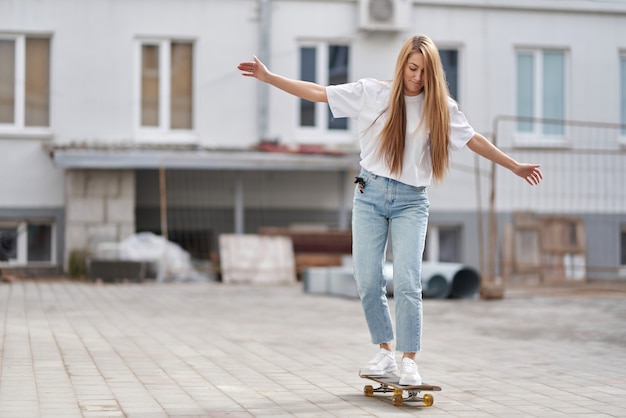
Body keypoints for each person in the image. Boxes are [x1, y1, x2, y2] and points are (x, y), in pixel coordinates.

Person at [237, 35, 542, 385]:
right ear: (402, 65)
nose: (417, 78)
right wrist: (269, 77)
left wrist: (513, 165)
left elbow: (473, 138)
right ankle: (384, 353)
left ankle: (409, 359)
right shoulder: (373, 93)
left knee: (409, 281)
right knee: (367, 279)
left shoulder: (440, 106)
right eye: (413, 69)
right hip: (369, 195)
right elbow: (319, 92)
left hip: (412, 201)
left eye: (426, 72)